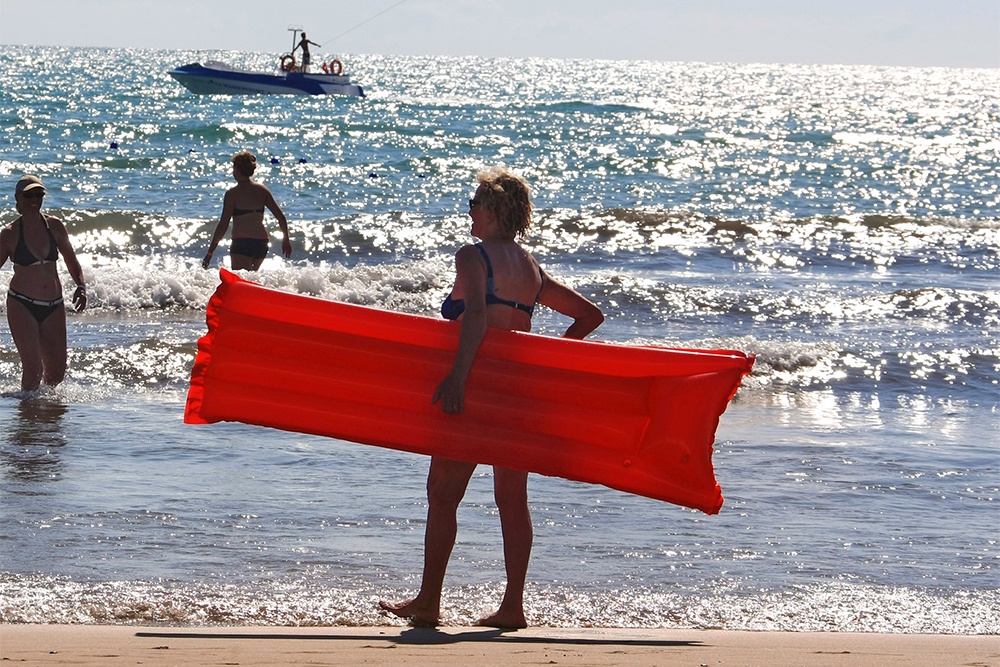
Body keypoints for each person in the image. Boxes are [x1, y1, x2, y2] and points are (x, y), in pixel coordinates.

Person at [379, 168, 604, 629]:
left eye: (476, 202)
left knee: (442, 494)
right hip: (516, 395)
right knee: (511, 500)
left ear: (496, 211)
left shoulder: (472, 256)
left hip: (478, 388)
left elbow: (477, 316)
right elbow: (588, 316)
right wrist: (544, 361)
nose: (469, 209)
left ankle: (428, 602)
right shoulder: (530, 266)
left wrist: (459, 378)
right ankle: (513, 607)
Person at [0, 175, 87, 391]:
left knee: (57, 372)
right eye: (29, 194)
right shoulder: (9, 234)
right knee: (33, 367)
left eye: (39, 194)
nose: (34, 199)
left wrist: (81, 286)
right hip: (22, 304)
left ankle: (46, 416)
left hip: (54, 306)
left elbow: (71, 259)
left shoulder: (54, 226)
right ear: (18, 199)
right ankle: (27, 417)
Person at [202, 152, 291, 271]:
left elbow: (223, 224)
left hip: (242, 243)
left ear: (238, 169)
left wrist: (210, 252)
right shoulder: (262, 190)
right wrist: (286, 240)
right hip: (261, 244)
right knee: (251, 280)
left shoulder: (232, 194)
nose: (233, 172)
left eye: (234, 168)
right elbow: (281, 217)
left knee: (240, 281)